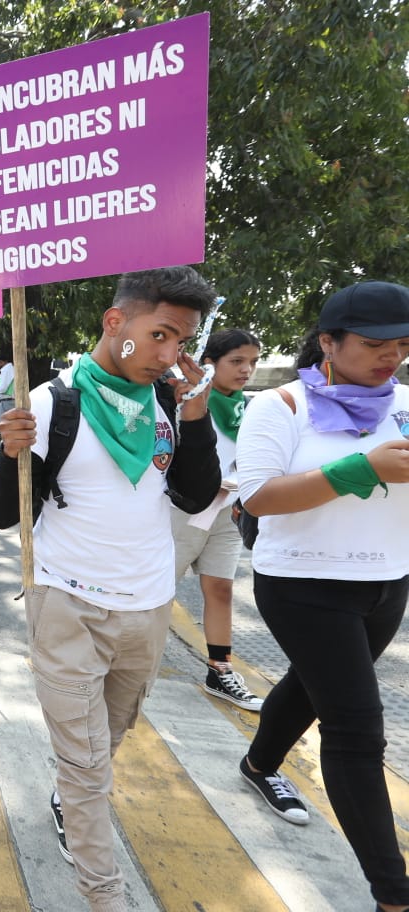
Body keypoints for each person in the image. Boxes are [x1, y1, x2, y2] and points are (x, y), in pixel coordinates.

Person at [0, 266, 220, 912]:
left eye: (182, 340)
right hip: (66, 604)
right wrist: (11, 455)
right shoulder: (52, 402)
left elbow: (196, 494)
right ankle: (105, 896)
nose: (170, 354)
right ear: (116, 322)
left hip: (146, 609)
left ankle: (69, 794)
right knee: (89, 770)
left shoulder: (169, 399)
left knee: (107, 741)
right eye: (160, 335)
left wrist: (197, 421)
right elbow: (6, 515)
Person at [235, 281, 409, 912]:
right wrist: (361, 469)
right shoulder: (281, 406)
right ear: (329, 342)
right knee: (357, 729)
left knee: (313, 686)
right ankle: (394, 894)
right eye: (373, 345)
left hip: (388, 583)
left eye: (402, 345)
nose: (391, 357)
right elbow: (255, 497)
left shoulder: (406, 403)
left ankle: (258, 765)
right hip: (304, 585)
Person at [170, 328, 265, 710]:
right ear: (209, 363)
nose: (247, 371)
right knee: (157, 591)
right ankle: (122, 663)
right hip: (181, 512)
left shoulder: (254, 409)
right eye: (237, 362)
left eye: (253, 363)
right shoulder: (186, 399)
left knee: (221, 589)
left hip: (228, 512)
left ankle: (220, 671)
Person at [0, 354, 16, 419]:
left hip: (5, 402)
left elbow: (2, 388)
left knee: (4, 427)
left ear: (1, 362)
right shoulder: (9, 369)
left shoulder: (6, 370)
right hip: (7, 402)